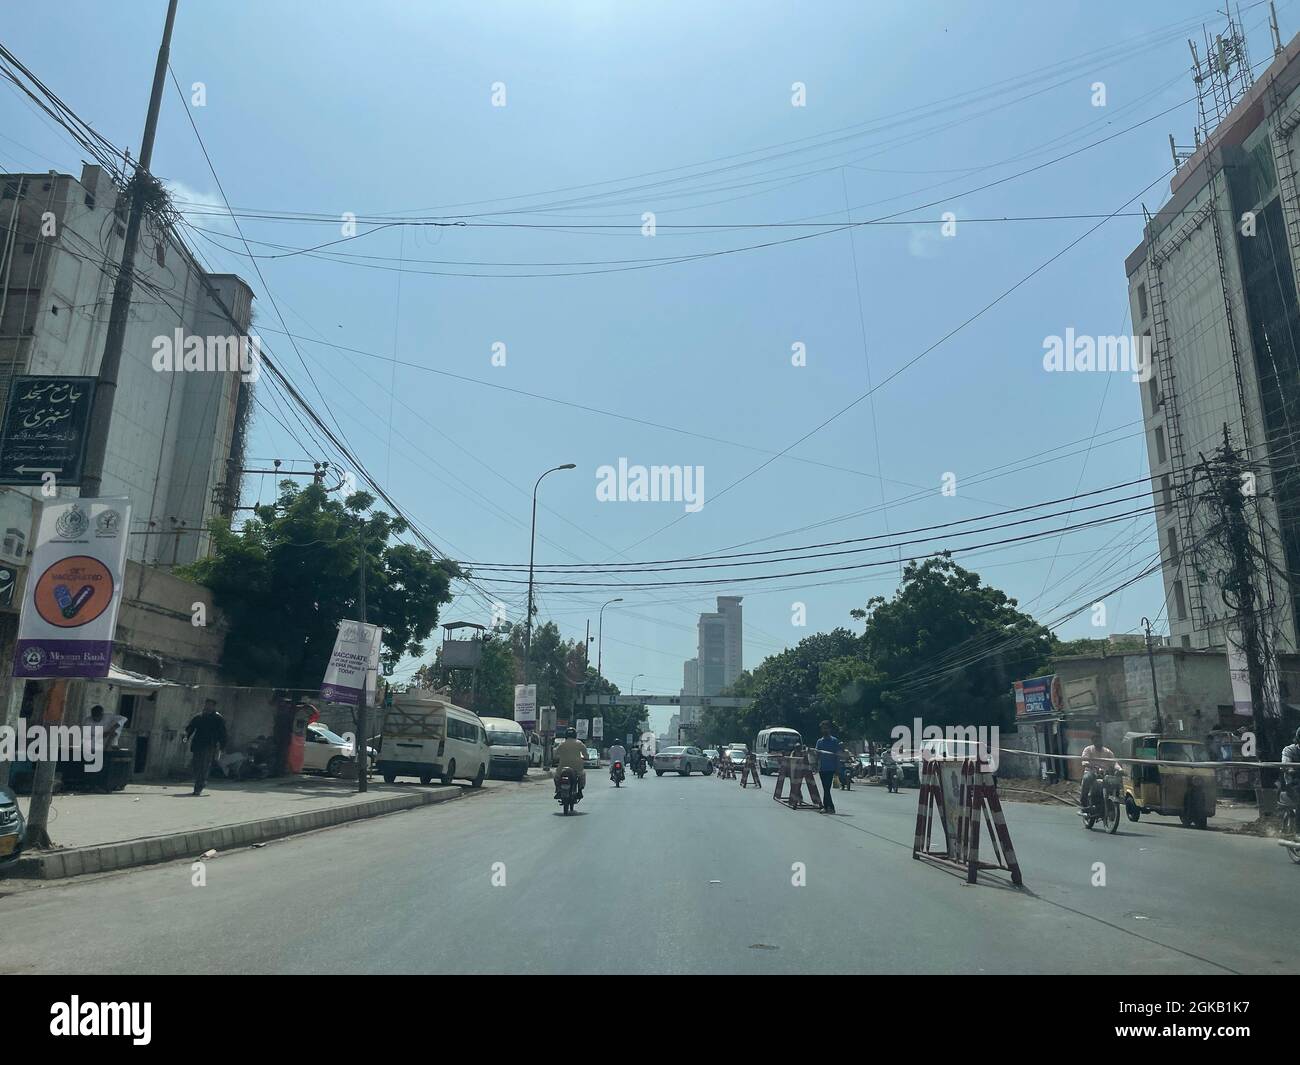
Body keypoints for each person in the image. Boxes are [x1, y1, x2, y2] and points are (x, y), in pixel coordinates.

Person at [184, 699, 228, 796]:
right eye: (206, 705)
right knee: (196, 765)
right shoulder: (199, 717)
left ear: (214, 707)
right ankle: (201, 782)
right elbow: (190, 728)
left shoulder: (218, 718)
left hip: (209, 745)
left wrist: (222, 746)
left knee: (204, 766)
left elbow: (223, 733)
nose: (207, 707)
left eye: (210, 705)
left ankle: (198, 788)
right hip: (197, 745)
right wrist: (186, 737)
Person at [1080, 730, 1119, 809]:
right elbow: (1084, 760)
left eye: (1099, 740)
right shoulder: (1088, 750)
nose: (1098, 742)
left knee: (1115, 782)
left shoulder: (1107, 752)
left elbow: (1114, 762)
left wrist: (1119, 769)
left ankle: (1112, 799)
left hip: (1104, 773)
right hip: (1091, 772)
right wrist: (1088, 764)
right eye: (1095, 740)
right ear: (1093, 741)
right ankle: (1084, 802)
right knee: (1087, 778)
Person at [815, 720, 843, 814]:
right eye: (823, 728)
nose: (825, 730)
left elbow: (838, 756)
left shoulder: (834, 741)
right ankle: (829, 807)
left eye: (826, 728)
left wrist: (838, 768)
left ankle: (827, 807)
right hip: (822, 768)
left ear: (829, 729)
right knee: (825, 788)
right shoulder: (819, 742)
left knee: (827, 788)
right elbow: (817, 755)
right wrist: (815, 765)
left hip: (831, 768)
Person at [553, 726, 588, 797]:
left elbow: (555, 754)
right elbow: (586, 755)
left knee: (556, 776)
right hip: (577, 767)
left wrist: (558, 758)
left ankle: (558, 790)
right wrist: (585, 758)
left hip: (563, 767)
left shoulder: (562, 743)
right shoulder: (579, 743)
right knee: (582, 775)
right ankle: (580, 791)